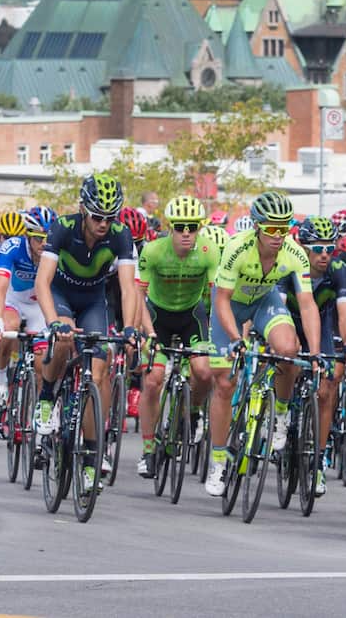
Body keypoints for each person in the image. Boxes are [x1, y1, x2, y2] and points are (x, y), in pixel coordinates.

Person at [203, 190, 321, 496]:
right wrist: (235, 339)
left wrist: (317, 352)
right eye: (271, 228)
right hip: (230, 306)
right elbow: (223, 300)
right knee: (225, 383)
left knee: (288, 350)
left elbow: (307, 305)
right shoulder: (236, 248)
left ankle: (280, 413)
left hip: (263, 302)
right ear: (257, 227)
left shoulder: (294, 252)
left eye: (284, 228)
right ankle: (217, 462)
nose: (278, 235)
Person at [35, 175, 141, 482]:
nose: (104, 224)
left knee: (100, 367)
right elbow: (42, 281)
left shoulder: (121, 236)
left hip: (94, 300)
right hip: (61, 295)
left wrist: (131, 328)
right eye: (97, 216)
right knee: (65, 339)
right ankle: (46, 396)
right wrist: (53, 320)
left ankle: (94, 453)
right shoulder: (63, 228)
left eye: (110, 217)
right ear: (84, 210)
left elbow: (128, 289)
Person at [134, 196, 220, 479]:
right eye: (180, 226)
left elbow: (219, 298)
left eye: (192, 227)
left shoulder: (209, 252)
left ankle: (193, 412)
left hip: (191, 317)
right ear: (171, 227)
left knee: (204, 371)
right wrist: (148, 333)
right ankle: (148, 450)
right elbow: (138, 296)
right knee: (153, 379)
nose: (186, 232)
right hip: (157, 317)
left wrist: (219, 336)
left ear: (199, 229)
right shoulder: (154, 251)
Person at [281, 216, 346, 498]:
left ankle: (318, 461)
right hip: (288, 319)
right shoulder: (288, 264)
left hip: (321, 323)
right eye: (318, 248)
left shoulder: (338, 269)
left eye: (329, 248)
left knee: (328, 387)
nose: (325, 254)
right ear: (304, 247)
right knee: (284, 360)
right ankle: (281, 414)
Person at [0, 207, 53, 419]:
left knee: (41, 364)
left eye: (47, 238)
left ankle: (39, 408)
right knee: (9, 328)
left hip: (39, 307)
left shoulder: (55, 251)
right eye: (37, 238)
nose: (43, 243)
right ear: (27, 235)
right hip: (13, 301)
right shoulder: (12, 247)